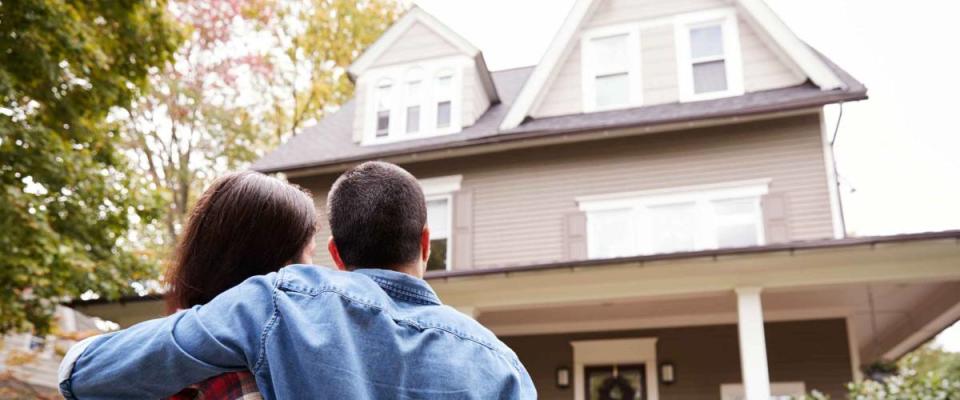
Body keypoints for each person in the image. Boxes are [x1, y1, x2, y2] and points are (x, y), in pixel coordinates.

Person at [59, 161, 537, 400]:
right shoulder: (502, 367)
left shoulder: (275, 304)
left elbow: (83, 375)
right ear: (426, 243)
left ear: (334, 253)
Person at [165, 171, 318, 399]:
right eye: (309, 256)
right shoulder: (252, 381)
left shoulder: (168, 352)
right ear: (281, 268)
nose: (314, 273)